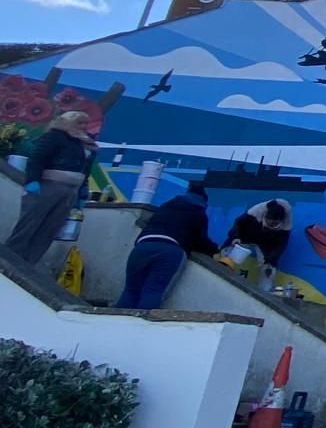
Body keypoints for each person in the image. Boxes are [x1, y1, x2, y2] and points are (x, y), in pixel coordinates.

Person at [5, 110, 97, 265]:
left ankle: (29, 263)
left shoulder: (85, 144)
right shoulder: (55, 136)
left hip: (70, 191)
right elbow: (37, 159)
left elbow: (85, 171)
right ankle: (10, 257)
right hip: (48, 185)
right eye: (79, 122)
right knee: (30, 223)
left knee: (50, 229)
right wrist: (32, 181)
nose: (84, 126)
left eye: (86, 123)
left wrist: (82, 195)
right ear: (68, 122)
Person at [115, 182, 218, 310]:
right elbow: (200, 241)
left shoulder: (166, 206)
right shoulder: (199, 213)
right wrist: (215, 249)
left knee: (131, 289)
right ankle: (141, 325)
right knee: (153, 290)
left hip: (142, 246)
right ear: (203, 201)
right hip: (169, 249)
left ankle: (116, 321)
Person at [222, 199, 293, 289]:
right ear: (265, 216)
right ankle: (221, 275)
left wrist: (271, 259)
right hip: (246, 235)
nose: (270, 225)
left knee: (269, 268)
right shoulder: (256, 211)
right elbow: (238, 223)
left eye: (275, 224)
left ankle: (264, 292)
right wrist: (236, 237)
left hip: (266, 242)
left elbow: (281, 244)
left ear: (281, 221)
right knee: (229, 253)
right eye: (269, 221)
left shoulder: (286, 224)